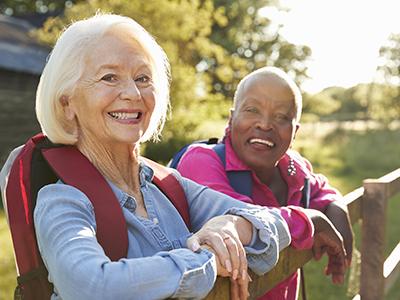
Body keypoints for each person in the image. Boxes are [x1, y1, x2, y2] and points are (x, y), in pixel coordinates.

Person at [0, 14, 301, 300]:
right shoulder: (62, 199)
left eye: (143, 78)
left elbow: (273, 223)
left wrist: (229, 227)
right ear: (67, 104)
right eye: (109, 77)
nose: (132, 93)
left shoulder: (167, 186)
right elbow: (91, 286)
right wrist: (206, 262)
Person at [176, 67, 353, 299]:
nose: (265, 124)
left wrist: (338, 211)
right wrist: (312, 220)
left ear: (295, 132)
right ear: (232, 118)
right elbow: (245, 222)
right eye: (252, 110)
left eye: (281, 117)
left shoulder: (293, 170)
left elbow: (322, 190)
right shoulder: (201, 161)